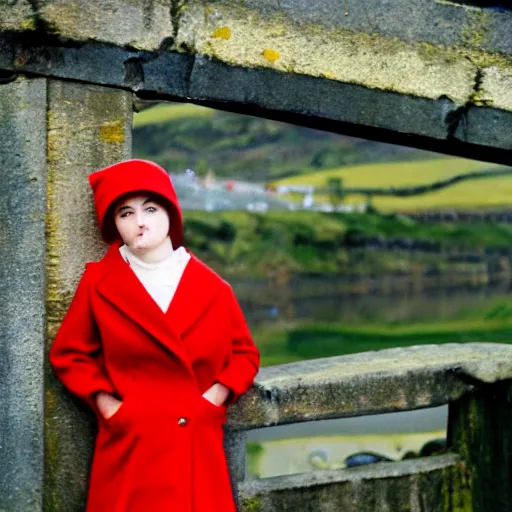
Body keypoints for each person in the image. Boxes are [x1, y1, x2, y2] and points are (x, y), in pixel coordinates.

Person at [49, 159, 260, 512]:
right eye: (125, 213)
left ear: (171, 214)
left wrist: (210, 402)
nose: (140, 221)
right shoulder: (99, 283)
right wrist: (110, 408)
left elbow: (245, 355)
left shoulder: (213, 287)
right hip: (131, 442)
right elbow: (69, 355)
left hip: (194, 440)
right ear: (113, 224)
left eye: (150, 208)